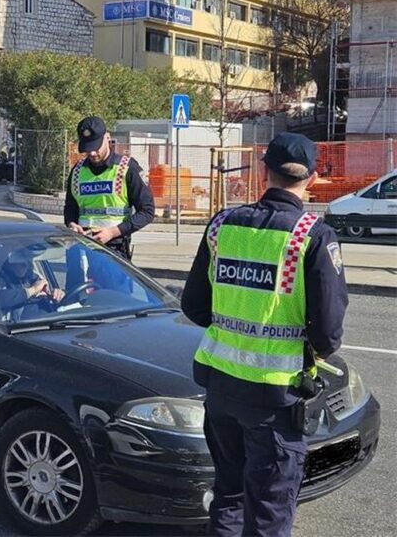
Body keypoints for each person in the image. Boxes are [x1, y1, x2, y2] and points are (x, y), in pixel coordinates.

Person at [180, 132, 348, 537]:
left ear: (263, 171)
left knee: (229, 497)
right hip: (275, 397)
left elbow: (193, 305)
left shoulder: (222, 224)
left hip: (221, 387)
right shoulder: (312, 236)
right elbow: (328, 332)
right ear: (310, 178)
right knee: (270, 510)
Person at [64, 116, 155, 259]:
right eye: (88, 149)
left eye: (95, 147)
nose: (92, 153)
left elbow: (147, 211)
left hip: (115, 249)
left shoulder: (127, 168)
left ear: (107, 138)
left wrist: (113, 232)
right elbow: (70, 207)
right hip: (80, 248)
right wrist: (71, 224)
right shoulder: (77, 171)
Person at [0, 248, 65, 322]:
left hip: (52, 322)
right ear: (10, 261)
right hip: (25, 328)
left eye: (29, 259)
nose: (27, 265)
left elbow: (51, 296)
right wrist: (32, 290)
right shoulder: (0, 280)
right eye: (22, 261)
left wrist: (58, 294)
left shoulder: (33, 276)